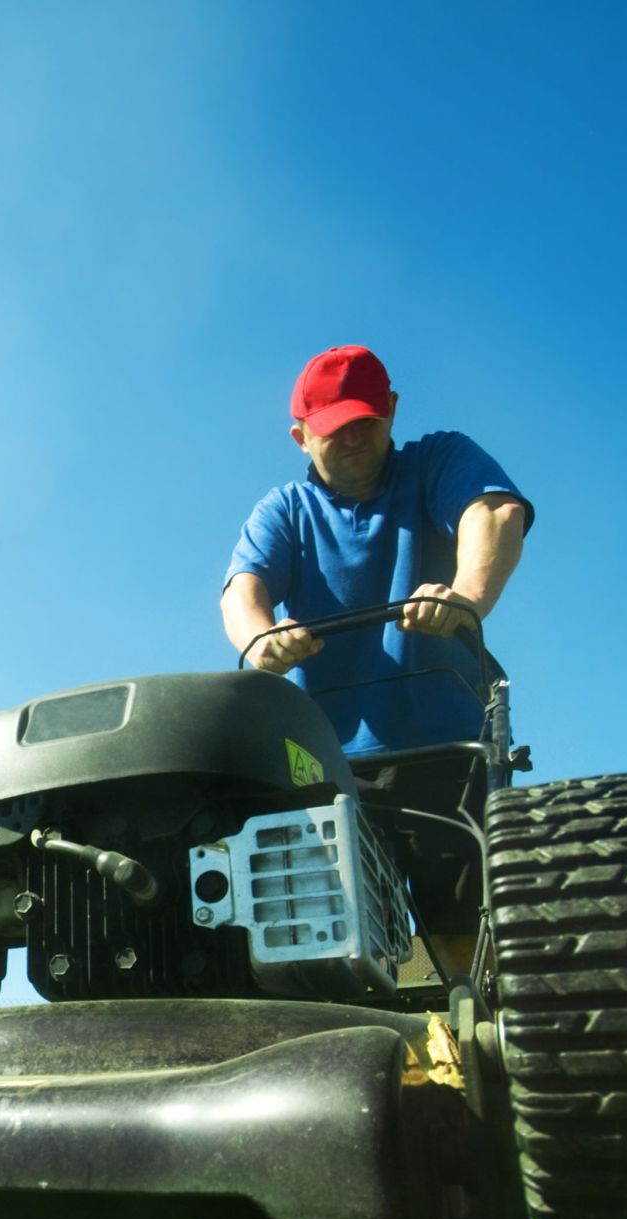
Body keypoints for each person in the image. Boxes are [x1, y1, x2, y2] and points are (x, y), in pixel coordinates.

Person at [219, 344, 532, 981]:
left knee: (461, 932)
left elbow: (494, 511)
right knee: (325, 941)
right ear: (300, 435)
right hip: (326, 767)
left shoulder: (438, 461)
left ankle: (483, 1038)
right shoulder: (284, 511)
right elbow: (243, 589)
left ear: (391, 410)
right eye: (335, 429)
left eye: (368, 420)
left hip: (442, 749)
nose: (356, 438)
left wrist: (465, 597)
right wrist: (260, 641)